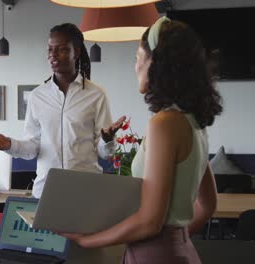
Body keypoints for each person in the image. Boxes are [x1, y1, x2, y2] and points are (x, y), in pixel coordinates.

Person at [61, 17, 223, 263]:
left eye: (138, 57)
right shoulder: (192, 121)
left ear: (157, 63)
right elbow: (208, 204)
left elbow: (149, 222)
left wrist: (87, 240)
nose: (135, 65)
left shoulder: (164, 123)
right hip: (181, 251)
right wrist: (176, 240)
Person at [0, 23, 125, 198]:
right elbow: (32, 147)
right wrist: (10, 145)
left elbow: (105, 152)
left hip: (86, 193)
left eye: (62, 49)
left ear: (77, 52)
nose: (53, 55)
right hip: (46, 192)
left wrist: (107, 140)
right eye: (50, 49)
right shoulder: (37, 96)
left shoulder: (96, 95)